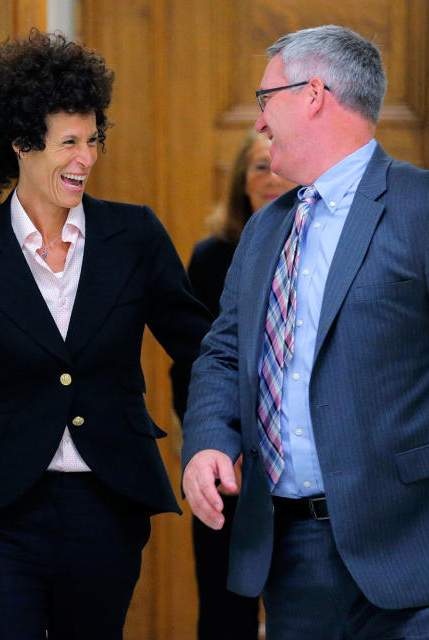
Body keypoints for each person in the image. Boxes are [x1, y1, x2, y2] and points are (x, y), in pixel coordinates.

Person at [180, 25, 429, 640]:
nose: (259, 123)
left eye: (265, 101)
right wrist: (207, 441)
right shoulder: (262, 232)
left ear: (313, 94)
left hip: (419, 544)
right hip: (292, 553)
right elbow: (224, 354)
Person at [0, 30, 212, 639]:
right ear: (21, 144)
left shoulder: (136, 237)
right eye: (68, 143)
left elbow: (203, 350)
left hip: (106, 507)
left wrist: (217, 435)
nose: (86, 158)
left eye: (93, 140)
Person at [175, 130, 294, 640]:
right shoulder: (211, 256)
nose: (270, 177)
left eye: (277, 165)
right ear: (242, 184)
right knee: (225, 611)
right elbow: (196, 363)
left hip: (296, 461)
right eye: (258, 168)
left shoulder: (310, 244)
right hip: (227, 467)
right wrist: (215, 444)